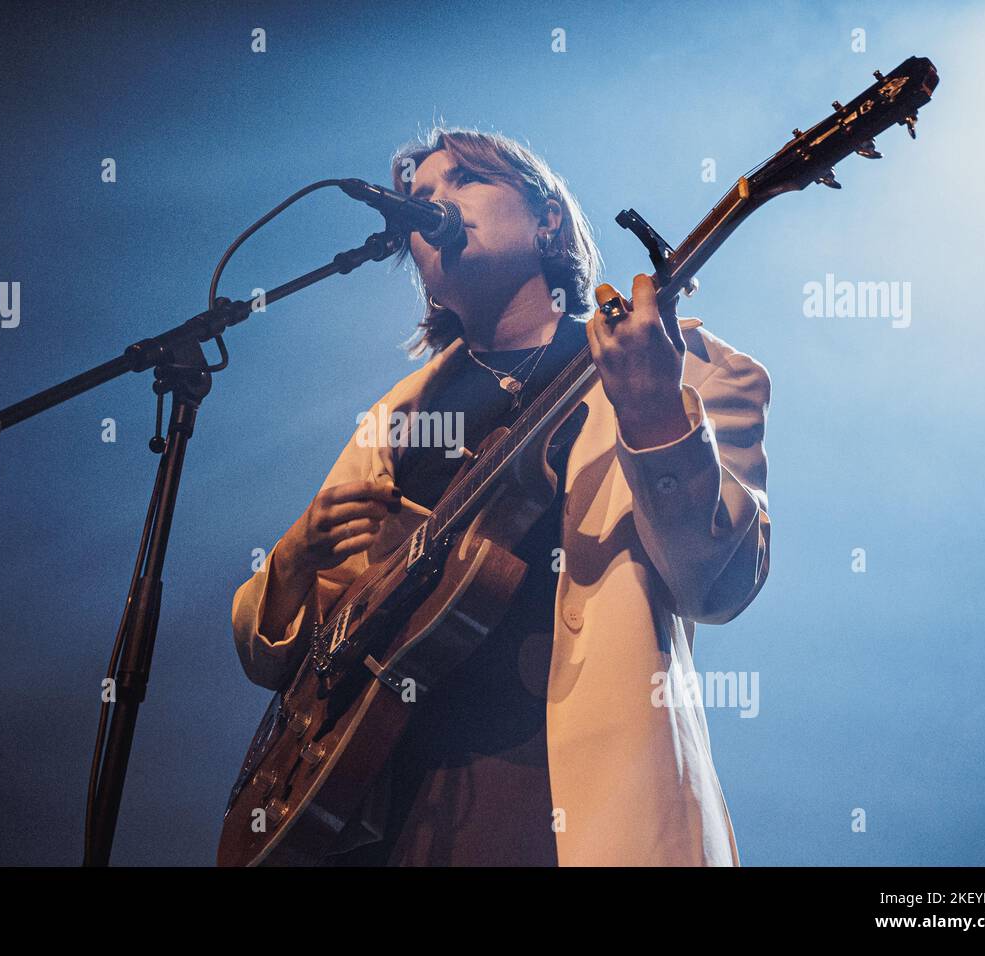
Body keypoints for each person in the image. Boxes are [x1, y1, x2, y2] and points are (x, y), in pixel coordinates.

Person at [230, 127, 772, 866]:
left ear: (548, 222)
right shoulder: (397, 415)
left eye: (463, 182)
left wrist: (652, 413)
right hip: (378, 805)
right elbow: (299, 654)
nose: (434, 206)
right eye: (417, 201)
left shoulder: (689, 369)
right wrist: (291, 562)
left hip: (561, 790)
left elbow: (718, 585)